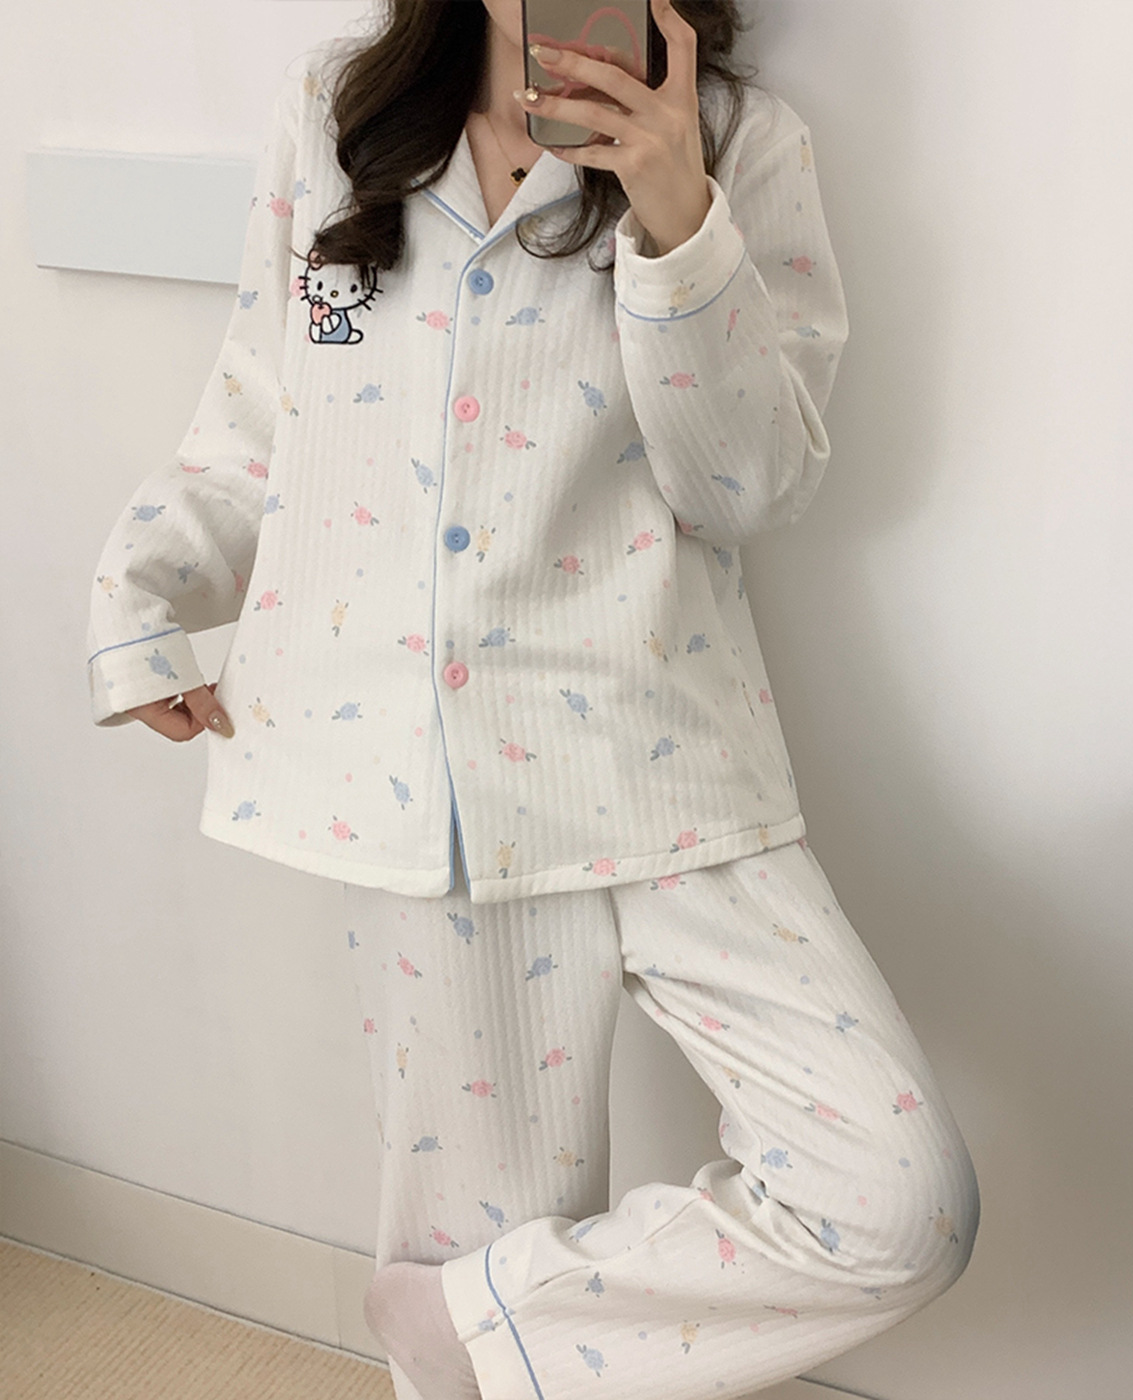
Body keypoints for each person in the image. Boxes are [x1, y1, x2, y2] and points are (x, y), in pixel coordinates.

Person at [84, 1, 980, 1396]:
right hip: (423, 790)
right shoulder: (339, 116)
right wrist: (141, 594)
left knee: (898, 1199)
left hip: (664, 762)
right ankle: (462, 1332)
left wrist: (678, 220)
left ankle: (461, 1325)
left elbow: (747, 487)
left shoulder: (744, 143)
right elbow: (269, 408)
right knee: (479, 1246)